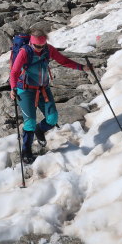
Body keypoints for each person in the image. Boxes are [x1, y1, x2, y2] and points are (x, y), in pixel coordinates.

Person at [9, 29, 87, 163]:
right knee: (30, 123)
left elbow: (63, 61)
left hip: (43, 88)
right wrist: (13, 88)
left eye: (42, 46)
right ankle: (26, 150)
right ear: (32, 43)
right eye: (37, 46)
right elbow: (14, 72)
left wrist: (82, 67)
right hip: (25, 90)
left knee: (52, 118)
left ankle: (40, 130)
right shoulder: (24, 52)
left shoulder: (48, 49)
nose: (40, 49)